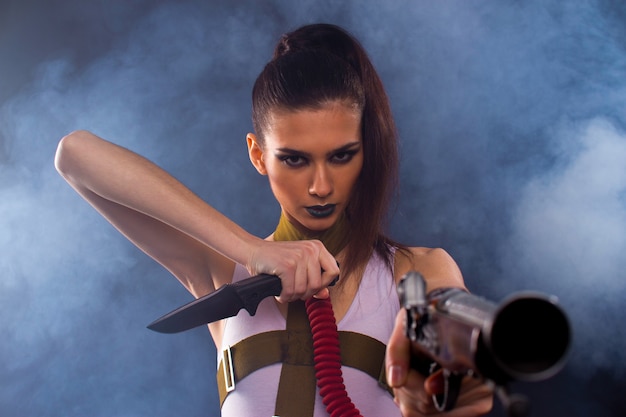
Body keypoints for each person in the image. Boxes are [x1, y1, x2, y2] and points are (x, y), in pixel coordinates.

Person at [55, 23, 493, 417]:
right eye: (295, 159)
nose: (321, 185)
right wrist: (252, 250)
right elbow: (75, 154)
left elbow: (459, 349)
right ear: (258, 154)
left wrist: (453, 376)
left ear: (365, 152)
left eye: (341, 156)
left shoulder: (416, 270)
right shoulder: (224, 275)